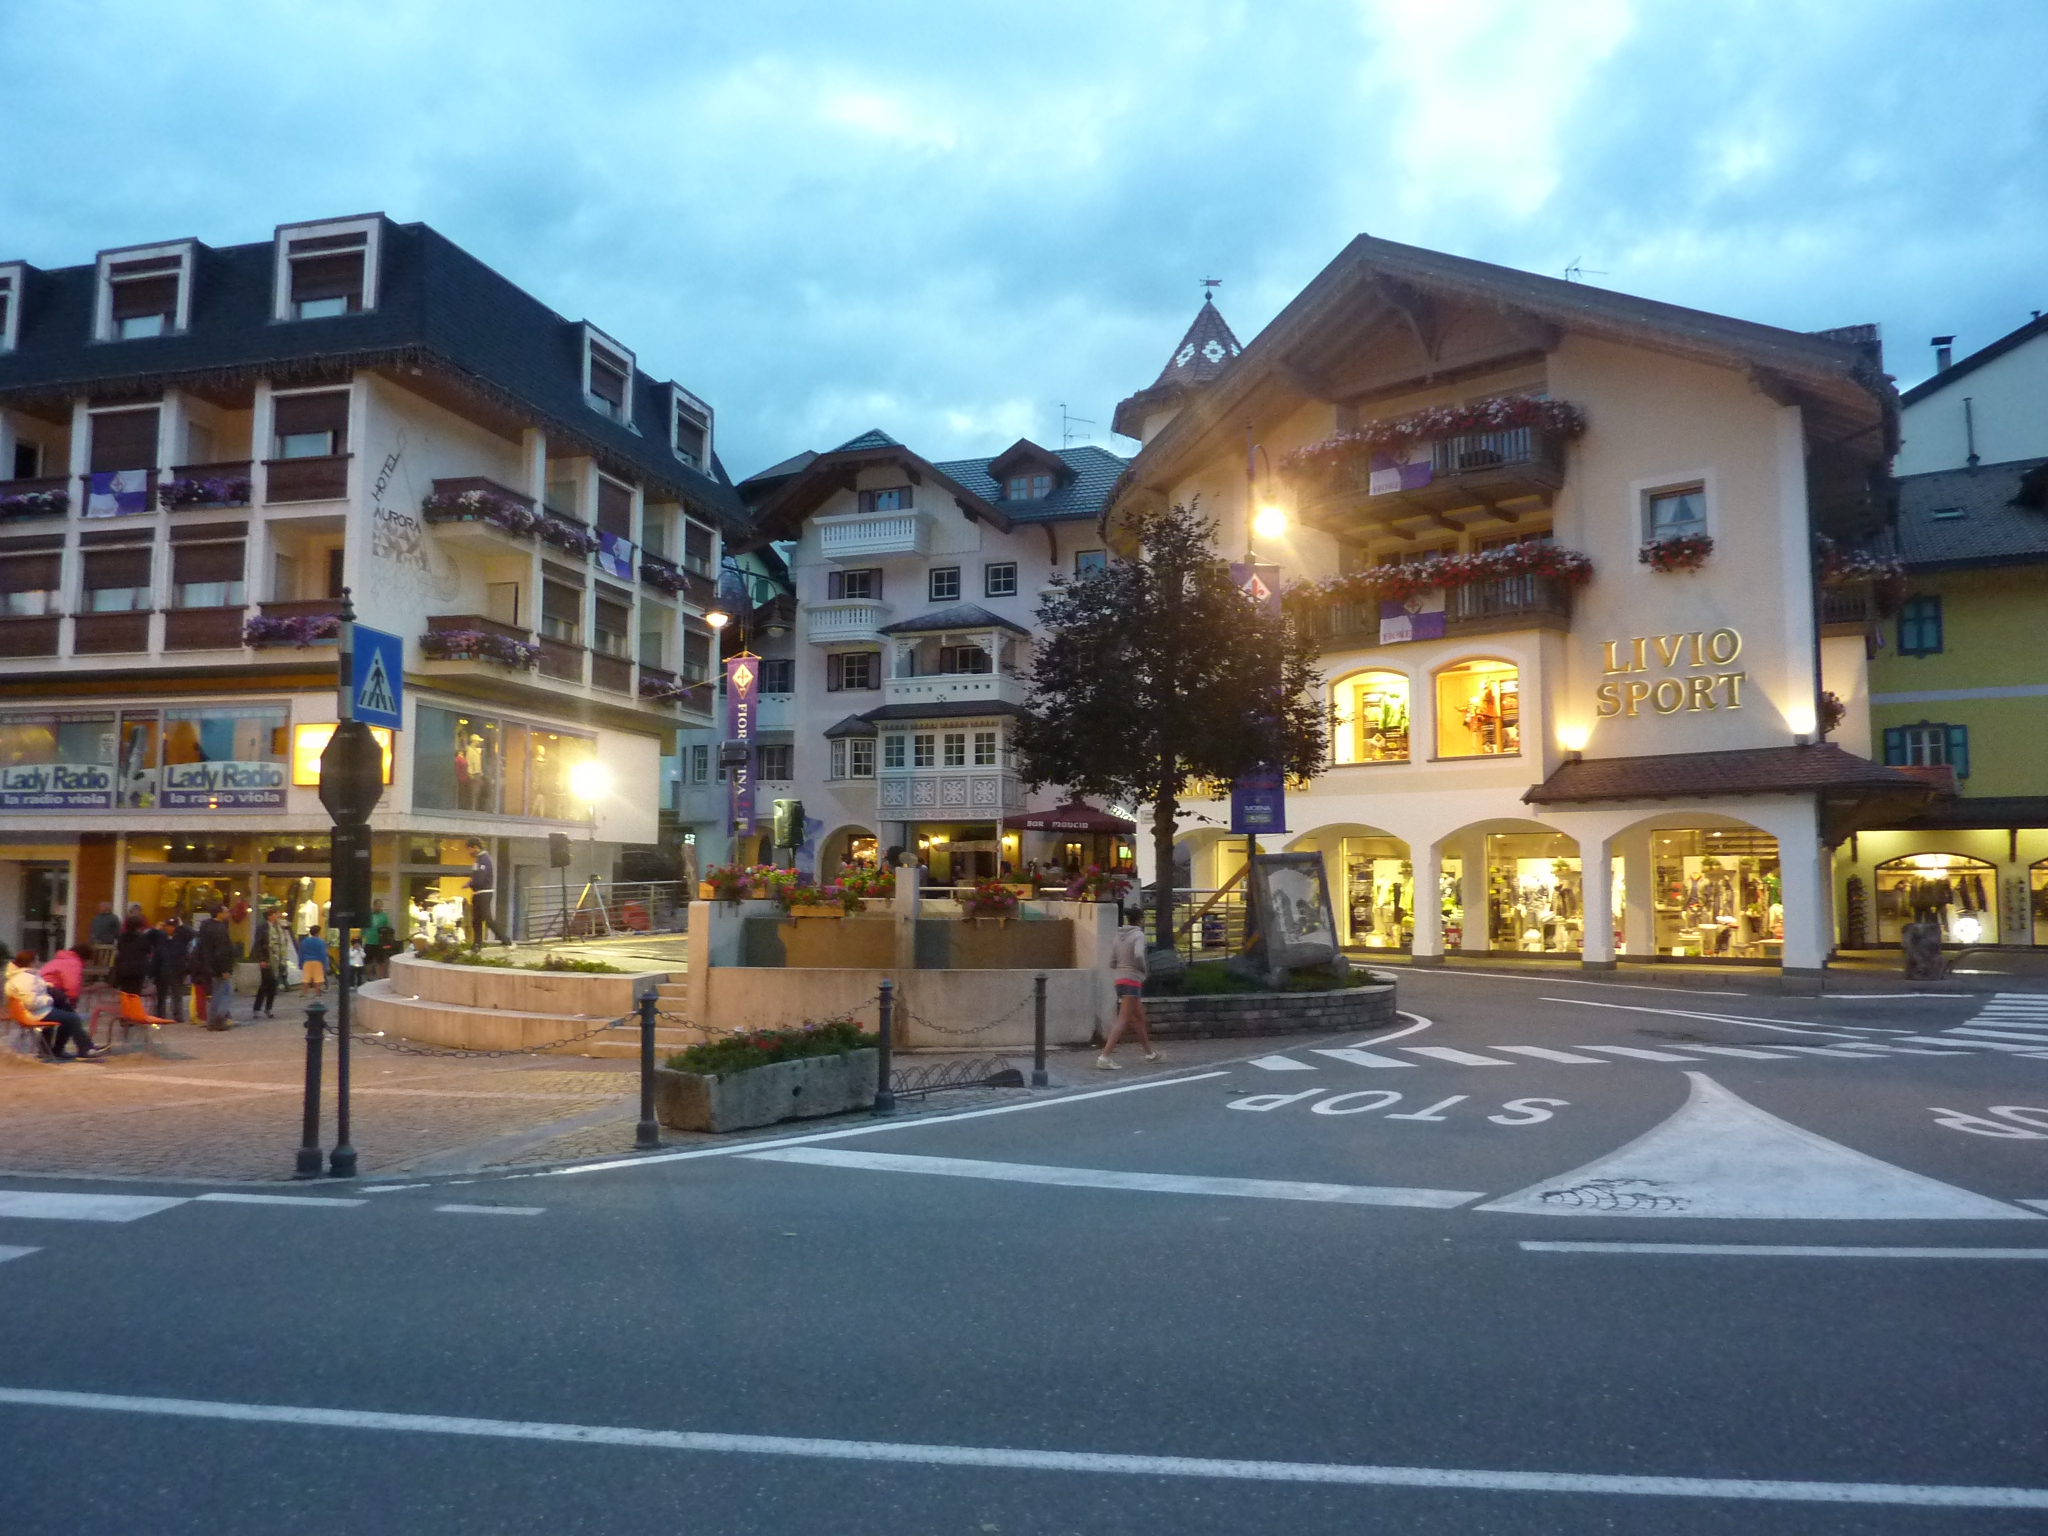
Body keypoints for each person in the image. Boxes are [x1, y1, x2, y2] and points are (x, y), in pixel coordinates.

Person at [7, 950, 106, 1060]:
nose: (38, 962)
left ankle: (58, 1050)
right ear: (31, 962)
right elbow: (31, 1002)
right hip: (35, 1012)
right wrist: (49, 999)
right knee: (72, 1018)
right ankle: (85, 1049)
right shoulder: (24, 979)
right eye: (37, 959)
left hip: (36, 1010)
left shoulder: (26, 976)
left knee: (68, 1013)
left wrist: (47, 988)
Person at [1096, 903, 1160, 1070]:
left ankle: (1150, 1053)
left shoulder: (1118, 936)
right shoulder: (1138, 935)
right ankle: (1104, 1056)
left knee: (1139, 1018)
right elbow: (1138, 955)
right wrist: (1143, 969)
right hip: (1133, 980)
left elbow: (1112, 962)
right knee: (1123, 1019)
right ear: (1140, 920)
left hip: (1119, 980)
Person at [193, 904, 237, 1031]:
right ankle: (219, 1018)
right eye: (226, 912)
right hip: (219, 966)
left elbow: (204, 948)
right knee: (225, 993)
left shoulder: (205, 927)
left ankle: (212, 1020)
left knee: (217, 993)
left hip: (209, 965)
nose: (228, 914)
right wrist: (224, 969)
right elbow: (221, 951)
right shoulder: (220, 929)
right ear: (219, 914)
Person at [466, 838, 510, 949]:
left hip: (483, 893)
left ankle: (505, 939)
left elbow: (480, 879)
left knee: (487, 918)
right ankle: (477, 944)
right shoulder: (479, 860)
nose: (469, 852)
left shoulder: (484, 860)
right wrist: (471, 883)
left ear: (475, 847)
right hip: (478, 893)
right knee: (476, 920)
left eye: (469, 849)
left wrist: (470, 884)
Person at [249, 906, 289, 1019]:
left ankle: (268, 1008)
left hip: (278, 959)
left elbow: (284, 942)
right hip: (267, 958)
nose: (278, 916)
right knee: (265, 984)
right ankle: (257, 1008)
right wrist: (261, 959)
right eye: (276, 914)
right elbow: (258, 944)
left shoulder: (280, 927)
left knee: (273, 985)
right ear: (269, 916)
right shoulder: (263, 928)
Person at [155, 915, 192, 1023]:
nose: (171, 928)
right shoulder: (160, 937)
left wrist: (182, 925)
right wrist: (155, 930)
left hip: (177, 969)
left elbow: (192, 934)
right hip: (162, 969)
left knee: (177, 994)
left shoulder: (182, 938)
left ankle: (178, 1015)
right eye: (169, 926)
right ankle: (160, 1015)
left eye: (173, 926)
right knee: (161, 994)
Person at [112, 913, 158, 1003]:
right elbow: (148, 950)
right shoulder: (143, 938)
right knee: (135, 994)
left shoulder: (122, 937)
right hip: (137, 969)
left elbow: (119, 949)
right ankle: (134, 1009)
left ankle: (126, 1009)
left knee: (125, 993)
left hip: (123, 968)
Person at [39, 942, 87, 1012]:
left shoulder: (57, 961)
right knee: (70, 1015)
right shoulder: (73, 963)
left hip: (41, 991)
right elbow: (72, 984)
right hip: (51, 993)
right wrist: (73, 1000)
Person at [362, 898, 396, 979]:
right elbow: (363, 928)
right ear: (374, 905)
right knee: (368, 960)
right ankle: (368, 977)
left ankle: (379, 977)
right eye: (378, 906)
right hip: (369, 940)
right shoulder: (369, 915)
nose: (379, 907)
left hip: (380, 941)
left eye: (381, 906)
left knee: (380, 961)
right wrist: (362, 938)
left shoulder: (383, 916)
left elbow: (388, 927)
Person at [297, 928, 329, 996]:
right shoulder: (321, 942)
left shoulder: (304, 941)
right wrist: (325, 965)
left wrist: (300, 963)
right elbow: (323, 954)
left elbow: (301, 953)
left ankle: (303, 993)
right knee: (317, 978)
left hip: (307, 961)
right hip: (318, 962)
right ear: (317, 933)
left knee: (306, 977)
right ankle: (317, 993)